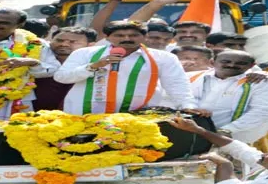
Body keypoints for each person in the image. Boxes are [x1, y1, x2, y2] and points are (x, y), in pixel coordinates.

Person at [54, 21, 199, 115]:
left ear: (144, 37)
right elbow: (61, 77)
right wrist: (94, 66)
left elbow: (177, 85)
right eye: (120, 35)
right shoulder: (85, 53)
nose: (127, 39)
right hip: (84, 114)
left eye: (133, 35)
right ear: (108, 37)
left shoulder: (164, 57)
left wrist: (188, 105)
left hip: (138, 116)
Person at [190, 50, 268, 143]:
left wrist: (226, 130)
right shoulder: (192, 77)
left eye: (241, 63)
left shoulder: (261, 82)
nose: (232, 65)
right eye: (226, 62)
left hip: (230, 141)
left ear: (251, 65)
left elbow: (263, 112)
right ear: (212, 62)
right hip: (188, 133)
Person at [33, 27, 99, 111]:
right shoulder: (35, 61)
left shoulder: (95, 66)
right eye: (59, 40)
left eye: (72, 42)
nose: (64, 44)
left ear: (91, 45)